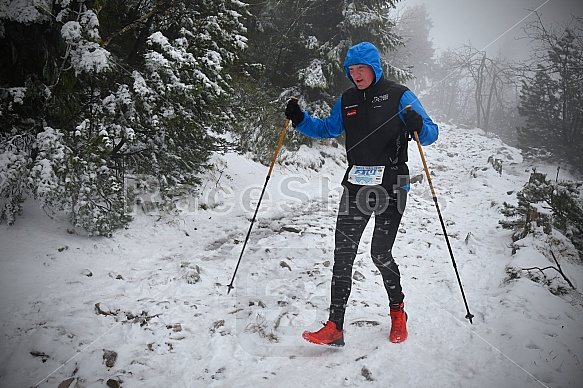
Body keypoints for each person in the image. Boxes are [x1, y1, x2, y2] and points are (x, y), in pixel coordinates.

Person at [285, 41, 438, 346]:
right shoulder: (347, 99)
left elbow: (431, 133)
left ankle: (398, 313)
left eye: (361, 68)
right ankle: (335, 325)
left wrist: (418, 125)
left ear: (374, 68)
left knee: (379, 253)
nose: (356, 74)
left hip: (392, 185)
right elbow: (328, 128)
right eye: (351, 69)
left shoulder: (399, 94)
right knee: (342, 254)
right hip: (356, 185)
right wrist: (300, 120)